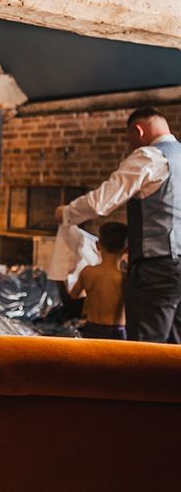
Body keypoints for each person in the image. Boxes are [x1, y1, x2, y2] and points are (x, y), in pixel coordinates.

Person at [56, 107, 180, 343]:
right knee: (175, 350)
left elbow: (102, 201)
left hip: (157, 268)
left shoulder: (150, 157)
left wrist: (66, 213)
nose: (130, 146)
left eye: (129, 140)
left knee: (145, 349)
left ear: (138, 130)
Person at [69, 222, 128, 340]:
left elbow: (74, 295)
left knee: (91, 358)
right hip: (117, 330)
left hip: (92, 328)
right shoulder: (125, 277)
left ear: (97, 245)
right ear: (126, 249)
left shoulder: (87, 272)